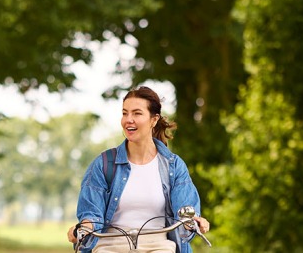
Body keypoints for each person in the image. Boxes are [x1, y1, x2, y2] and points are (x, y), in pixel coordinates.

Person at [68, 86, 210, 253]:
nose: (128, 119)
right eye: (124, 113)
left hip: (158, 246)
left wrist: (193, 221)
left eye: (137, 113)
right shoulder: (104, 164)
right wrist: (83, 229)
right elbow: (91, 214)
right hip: (110, 246)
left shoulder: (173, 166)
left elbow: (185, 212)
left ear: (154, 119)